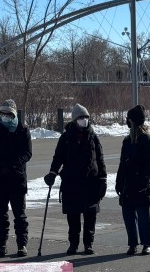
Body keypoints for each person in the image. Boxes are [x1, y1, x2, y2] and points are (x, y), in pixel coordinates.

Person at [44, 103, 107, 255]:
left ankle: (88, 244)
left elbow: (100, 158)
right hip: (71, 183)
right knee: (73, 217)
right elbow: (58, 157)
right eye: (81, 117)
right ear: (74, 120)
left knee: (90, 216)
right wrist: (53, 172)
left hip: (90, 182)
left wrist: (103, 178)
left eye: (86, 117)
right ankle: (73, 244)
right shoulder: (66, 138)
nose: (84, 120)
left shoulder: (93, 136)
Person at [0, 99, 32, 257]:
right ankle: (2, 244)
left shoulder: (23, 130)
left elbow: (27, 153)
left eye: (8, 113)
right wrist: (2, 165)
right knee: (0, 214)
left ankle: (22, 244)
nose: (5, 116)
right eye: (2, 113)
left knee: (20, 214)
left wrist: (14, 164)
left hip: (17, 178)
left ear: (14, 114)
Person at [116, 104, 150, 256]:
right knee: (128, 215)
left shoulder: (147, 140)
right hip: (127, 183)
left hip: (140, 184)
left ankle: (146, 244)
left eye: (128, 119)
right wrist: (119, 182)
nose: (127, 121)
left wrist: (144, 182)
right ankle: (132, 244)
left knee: (143, 215)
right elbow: (122, 163)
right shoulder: (127, 141)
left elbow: (149, 165)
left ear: (133, 121)